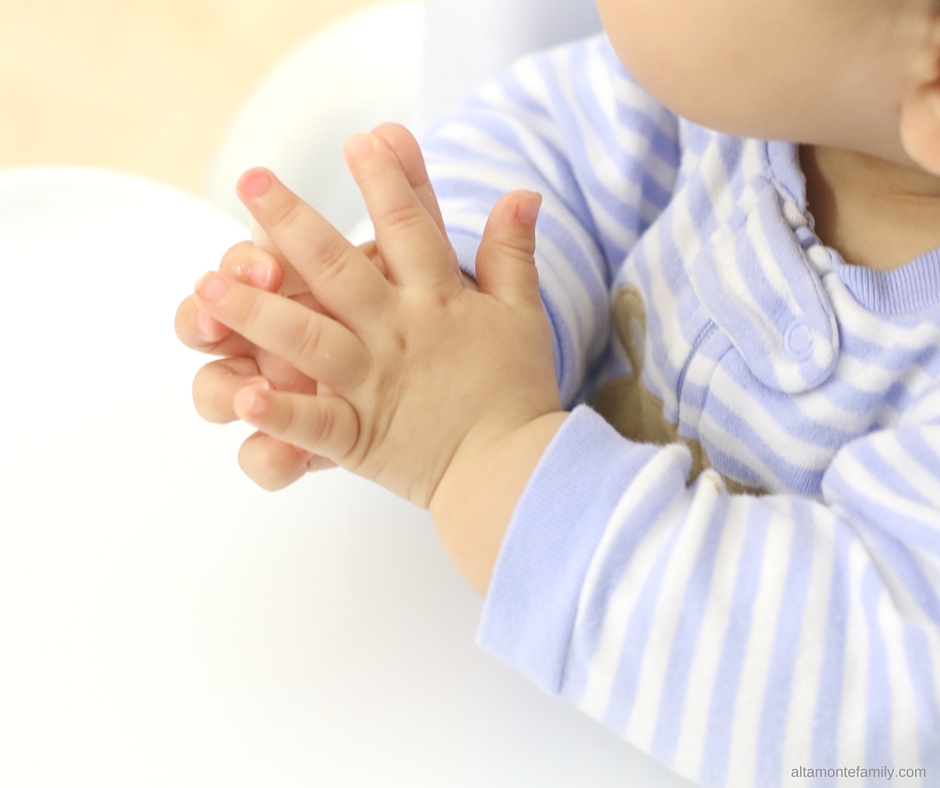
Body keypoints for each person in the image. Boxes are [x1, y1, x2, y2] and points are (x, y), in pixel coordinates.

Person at [175, 0, 940, 785]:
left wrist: (485, 452)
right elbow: (546, 147)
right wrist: (437, 319)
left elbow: (862, 691)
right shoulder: (741, 100)